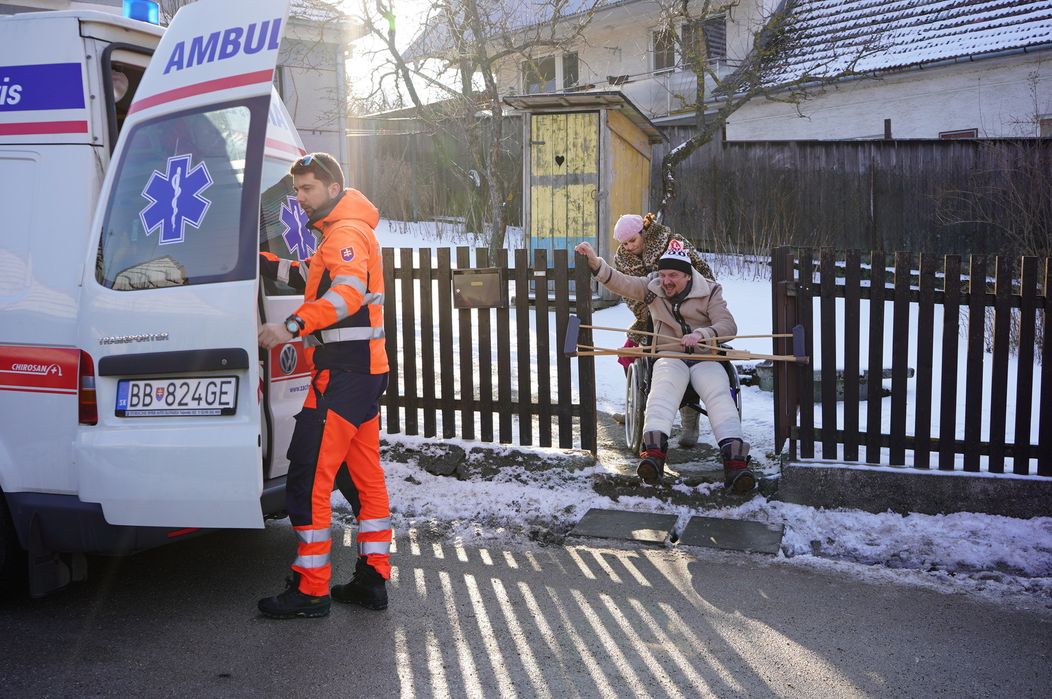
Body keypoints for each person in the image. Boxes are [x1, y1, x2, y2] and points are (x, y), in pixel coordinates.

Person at [256, 152, 392, 619]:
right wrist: (257, 261)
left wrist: (291, 326)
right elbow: (308, 274)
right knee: (365, 479)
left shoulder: (346, 233)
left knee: (309, 477)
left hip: (343, 376)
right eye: (296, 189)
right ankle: (373, 579)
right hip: (360, 373)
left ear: (334, 188)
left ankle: (311, 589)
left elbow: (346, 295)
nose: (299, 197)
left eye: (307, 188)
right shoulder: (341, 232)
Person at [575, 238, 755, 493]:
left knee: (719, 395)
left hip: (705, 357)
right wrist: (595, 263)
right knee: (661, 391)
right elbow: (621, 282)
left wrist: (702, 334)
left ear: (688, 275)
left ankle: (735, 463)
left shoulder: (710, 291)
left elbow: (728, 326)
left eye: (673, 275)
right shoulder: (653, 286)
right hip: (669, 356)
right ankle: (653, 456)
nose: (666, 281)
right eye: (663, 274)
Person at [612, 213, 714, 448]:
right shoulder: (622, 258)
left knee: (685, 356)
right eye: (624, 243)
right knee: (628, 353)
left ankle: (689, 418)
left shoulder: (671, 242)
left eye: (632, 240)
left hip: (687, 315)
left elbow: (702, 272)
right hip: (649, 316)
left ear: (644, 232)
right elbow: (626, 291)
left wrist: (691, 303)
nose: (629, 247)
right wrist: (645, 308)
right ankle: (638, 406)